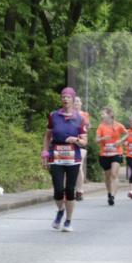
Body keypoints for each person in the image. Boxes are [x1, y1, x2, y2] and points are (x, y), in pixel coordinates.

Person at [42, 88, 87, 232]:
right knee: (58, 189)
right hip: (56, 156)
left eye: (68, 97)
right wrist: (44, 152)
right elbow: (48, 136)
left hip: (73, 158)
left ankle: (68, 221)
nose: (65, 99)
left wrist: (77, 139)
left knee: (69, 190)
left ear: (73, 100)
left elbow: (85, 141)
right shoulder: (53, 116)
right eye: (63, 97)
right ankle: (60, 210)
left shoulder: (80, 118)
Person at [95, 106, 127, 206]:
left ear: (109, 115)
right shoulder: (101, 126)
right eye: (101, 114)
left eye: (103, 114)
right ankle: (109, 193)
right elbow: (96, 140)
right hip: (104, 154)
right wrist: (103, 138)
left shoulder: (118, 125)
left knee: (114, 174)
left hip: (116, 153)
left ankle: (112, 196)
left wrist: (120, 141)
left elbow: (127, 134)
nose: (101, 116)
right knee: (108, 176)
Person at [74, 96, 91, 200]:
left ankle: (79, 190)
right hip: (69, 143)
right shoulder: (67, 114)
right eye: (74, 101)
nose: (76, 103)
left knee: (79, 166)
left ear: (81, 103)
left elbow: (88, 126)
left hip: (81, 143)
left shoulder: (84, 114)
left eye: (78, 101)